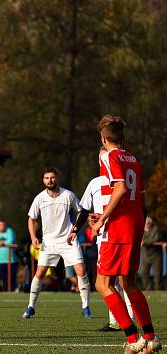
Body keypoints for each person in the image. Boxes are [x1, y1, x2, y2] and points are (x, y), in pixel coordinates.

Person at [90, 115, 161, 352]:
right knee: (129, 282)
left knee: (102, 283)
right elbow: (139, 197)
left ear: (103, 138)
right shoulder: (133, 159)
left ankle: (133, 339)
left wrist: (102, 218)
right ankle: (150, 338)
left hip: (117, 227)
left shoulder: (109, 156)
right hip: (134, 224)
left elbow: (120, 188)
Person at [22, 167, 91, 319]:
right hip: (49, 242)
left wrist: (77, 228)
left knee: (81, 270)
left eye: (52, 177)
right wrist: (33, 236)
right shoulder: (39, 198)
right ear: (43, 180)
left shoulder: (68, 195)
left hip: (68, 240)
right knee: (40, 273)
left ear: (57, 178)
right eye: (47, 178)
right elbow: (31, 219)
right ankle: (31, 306)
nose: (50, 180)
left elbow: (81, 211)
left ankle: (85, 306)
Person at [69, 172, 134, 332]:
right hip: (107, 236)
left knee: (116, 281)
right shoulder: (96, 183)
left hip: (115, 235)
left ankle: (129, 321)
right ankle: (117, 321)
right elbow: (85, 210)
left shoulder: (122, 182)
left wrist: (101, 219)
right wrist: (76, 229)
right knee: (113, 282)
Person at [0, 220, 18, 292]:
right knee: (2, 277)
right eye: (0, 225)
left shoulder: (10, 231)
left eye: (3, 225)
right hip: (0, 260)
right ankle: (4, 290)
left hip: (11, 260)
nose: (2, 227)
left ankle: (13, 289)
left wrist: (2, 243)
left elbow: (10, 241)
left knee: (12, 277)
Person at [140, 217, 163, 291]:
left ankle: (158, 289)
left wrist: (145, 242)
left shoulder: (155, 230)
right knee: (144, 273)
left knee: (157, 274)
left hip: (156, 255)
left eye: (147, 223)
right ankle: (148, 288)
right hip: (146, 256)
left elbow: (156, 239)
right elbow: (141, 240)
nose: (146, 225)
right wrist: (145, 242)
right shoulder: (141, 231)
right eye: (145, 223)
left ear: (150, 224)